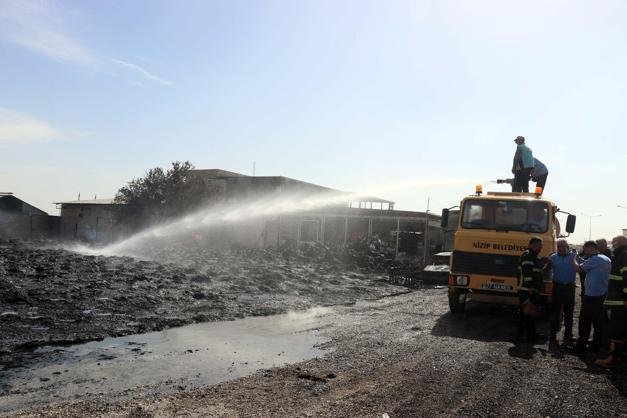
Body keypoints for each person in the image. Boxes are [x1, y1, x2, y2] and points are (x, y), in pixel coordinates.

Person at [595, 235, 627, 367]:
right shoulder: (621, 255)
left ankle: (614, 359)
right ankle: (618, 356)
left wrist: (626, 298)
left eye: (613, 242)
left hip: (619, 301)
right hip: (618, 300)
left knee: (617, 330)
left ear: (618, 243)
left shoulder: (622, 255)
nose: (612, 245)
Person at [575, 240, 611, 355]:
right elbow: (587, 263)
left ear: (591, 248)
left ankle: (580, 347)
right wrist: (581, 260)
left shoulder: (595, 259)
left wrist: (573, 258)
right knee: (598, 322)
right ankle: (596, 345)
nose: (585, 251)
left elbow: (578, 269)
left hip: (591, 296)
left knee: (585, 321)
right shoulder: (605, 259)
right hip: (602, 294)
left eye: (585, 249)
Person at [547, 240, 577, 350]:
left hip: (569, 287)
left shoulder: (574, 256)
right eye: (559, 246)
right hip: (557, 287)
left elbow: (583, 266)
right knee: (555, 313)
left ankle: (568, 336)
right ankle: (552, 336)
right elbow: (546, 269)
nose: (561, 248)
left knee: (569, 312)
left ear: (567, 246)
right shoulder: (553, 257)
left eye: (563, 246)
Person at [517, 237, 545, 342]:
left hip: (528, 289)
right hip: (526, 290)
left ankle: (530, 335)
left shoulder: (532, 255)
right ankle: (526, 336)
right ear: (534, 245)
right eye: (540, 245)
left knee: (529, 313)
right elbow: (527, 272)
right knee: (527, 313)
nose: (541, 248)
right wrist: (530, 287)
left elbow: (534, 271)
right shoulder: (528, 255)